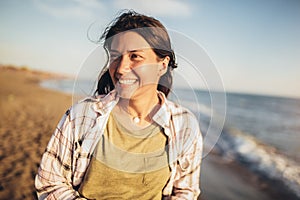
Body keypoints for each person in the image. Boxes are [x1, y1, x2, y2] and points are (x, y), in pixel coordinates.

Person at [35, 10, 203, 199]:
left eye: (135, 57)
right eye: (115, 56)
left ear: (162, 65)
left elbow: (185, 192)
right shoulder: (82, 115)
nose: (121, 68)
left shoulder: (185, 125)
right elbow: (49, 184)